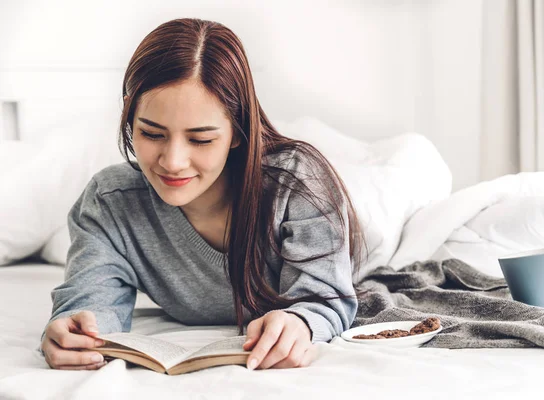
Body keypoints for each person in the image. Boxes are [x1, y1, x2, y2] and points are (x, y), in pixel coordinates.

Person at [40, 18, 365, 372]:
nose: (173, 162)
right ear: (130, 120)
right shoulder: (110, 202)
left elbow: (325, 297)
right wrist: (76, 332)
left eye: (200, 139)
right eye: (152, 134)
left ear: (238, 132)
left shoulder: (298, 183)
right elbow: (91, 305)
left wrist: (302, 322)